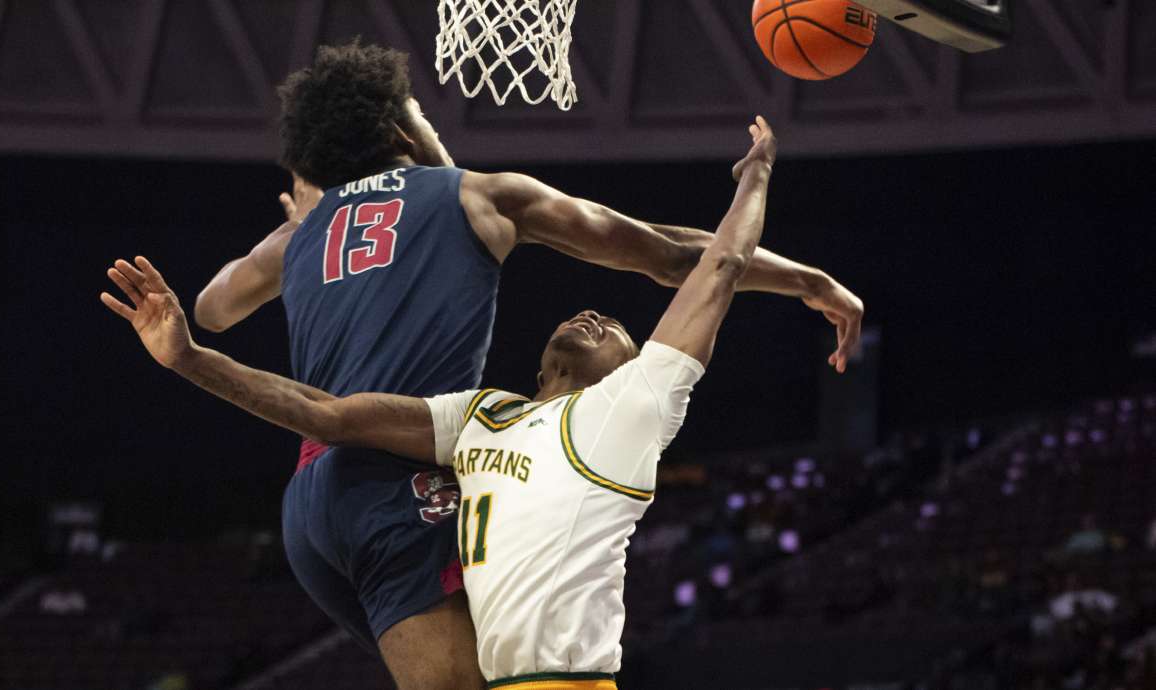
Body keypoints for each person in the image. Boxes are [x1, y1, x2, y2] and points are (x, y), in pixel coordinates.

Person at [189, 40, 863, 689]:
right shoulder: (483, 196)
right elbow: (673, 256)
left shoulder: (299, 235)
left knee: (498, 667)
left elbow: (212, 308)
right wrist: (806, 278)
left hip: (308, 507)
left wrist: (303, 220)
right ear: (401, 126)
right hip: (397, 483)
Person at [104, 115, 781, 688]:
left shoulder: (626, 415)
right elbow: (328, 415)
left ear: (634, 372)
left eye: (618, 329)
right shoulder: (482, 416)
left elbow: (717, 266)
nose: (597, 314)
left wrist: (755, 177)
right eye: (595, 313)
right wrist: (189, 360)